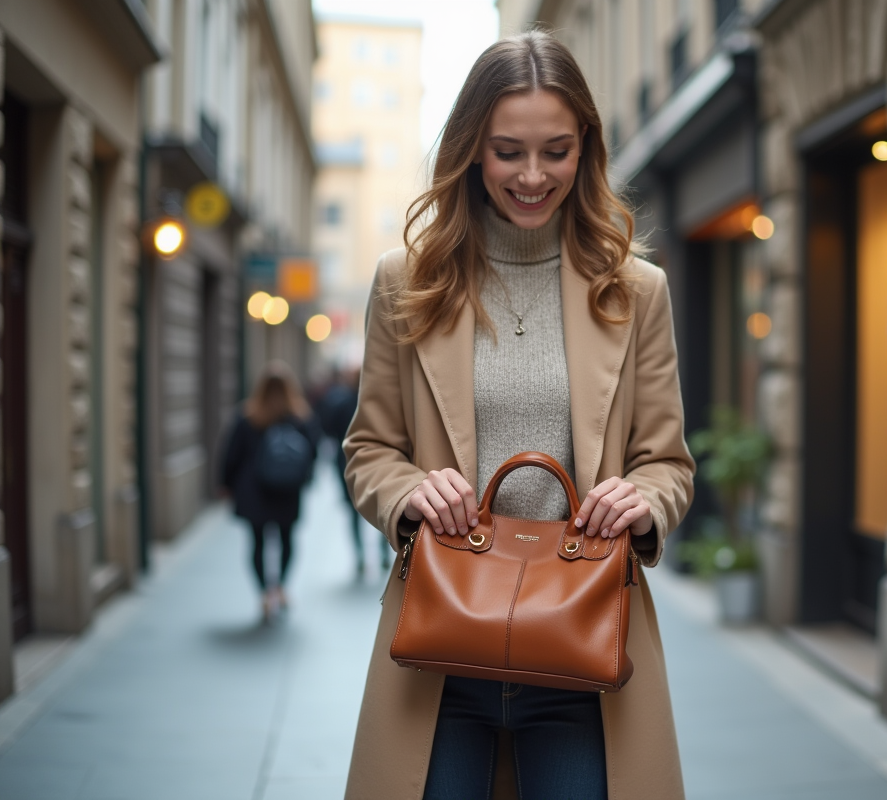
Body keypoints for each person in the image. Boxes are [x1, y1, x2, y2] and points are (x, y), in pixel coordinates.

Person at [341, 30, 695, 800]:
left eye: (555, 151)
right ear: (473, 149)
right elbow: (369, 448)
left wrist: (644, 500)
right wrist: (406, 491)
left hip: (584, 642)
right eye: (508, 152)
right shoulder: (408, 281)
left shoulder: (637, 291)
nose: (533, 176)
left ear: (585, 147)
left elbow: (667, 462)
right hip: (438, 642)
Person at [220, 361, 321, 622]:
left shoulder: (248, 416)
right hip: (287, 490)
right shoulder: (300, 416)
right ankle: (281, 587)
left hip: (254, 490)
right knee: (287, 540)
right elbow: (313, 452)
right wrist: (305, 479)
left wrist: (226, 484)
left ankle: (265, 593)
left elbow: (231, 455)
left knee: (257, 542)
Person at [317, 365, 387, 577]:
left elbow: (327, 429)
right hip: (379, 462)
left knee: (354, 511)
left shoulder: (342, 403)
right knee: (383, 506)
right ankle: (384, 553)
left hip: (348, 463)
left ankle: (360, 556)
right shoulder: (380, 403)